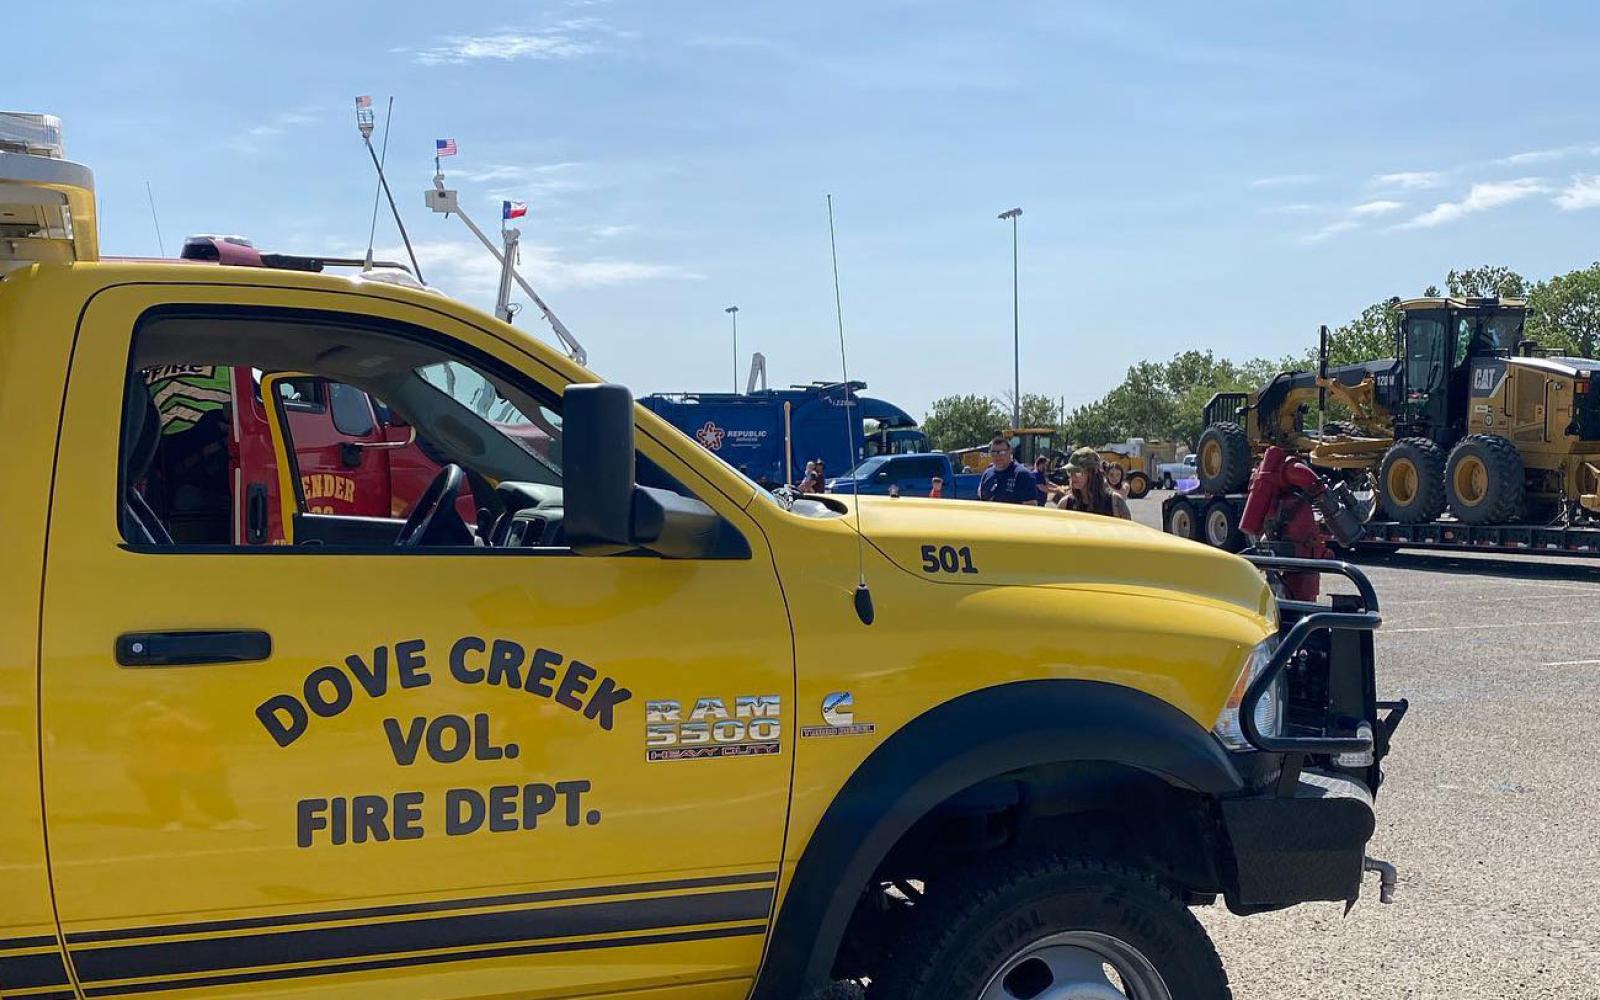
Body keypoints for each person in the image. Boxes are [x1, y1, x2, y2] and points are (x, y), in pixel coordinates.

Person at [1057, 446, 1132, 519]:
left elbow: (1128, 529)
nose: (1073, 477)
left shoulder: (1115, 503)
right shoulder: (1065, 504)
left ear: (1092, 473)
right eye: (1070, 472)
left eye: (1078, 472)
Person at [976, 436, 1037, 504]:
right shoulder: (987, 474)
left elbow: (1030, 506)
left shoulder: (1023, 475)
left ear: (1010, 451)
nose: (997, 456)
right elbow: (981, 501)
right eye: (994, 452)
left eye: (1002, 452)